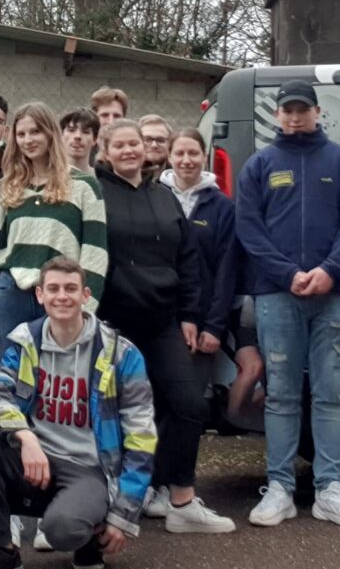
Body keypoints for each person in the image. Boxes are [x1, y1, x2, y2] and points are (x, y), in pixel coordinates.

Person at [235, 80, 340, 529]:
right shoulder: (259, 166)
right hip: (277, 295)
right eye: (287, 110)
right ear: (277, 115)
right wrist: (286, 273)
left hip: (336, 295)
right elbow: (249, 229)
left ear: (317, 112)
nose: (295, 117)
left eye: (303, 109)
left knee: (332, 393)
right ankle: (279, 488)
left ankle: (329, 489)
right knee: (281, 395)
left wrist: (329, 270)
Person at [0, 257, 157, 569]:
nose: (62, 296)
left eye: (71, 288)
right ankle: (4, 549)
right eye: (53, 289)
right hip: (37, 458)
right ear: (40, 295)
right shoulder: (26, 341)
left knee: (61, 531)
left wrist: (123, 515)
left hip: (90, 468)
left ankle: (90, 538)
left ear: (86, 295)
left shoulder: (121, 354)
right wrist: (26, 438)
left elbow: (142, 436)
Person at [95, 119, 234, 533]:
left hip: (162, 324)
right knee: (109, 417)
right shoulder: (95, 194)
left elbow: (188, 260)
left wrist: (190, 315)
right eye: (119, 145)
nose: (128, 151)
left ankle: (181, 500)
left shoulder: (165, 196)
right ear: (106, 151)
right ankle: (100, 503)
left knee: (190, 405)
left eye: (134, 143)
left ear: (145, 148)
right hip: (111, 326)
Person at [157, 130, 262, 485]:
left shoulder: (222, 208)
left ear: (204, 156)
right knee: (154, 406)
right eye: (180, 153)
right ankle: (152, 483)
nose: (186, 160)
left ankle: (180, 485)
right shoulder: (154, 197)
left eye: (193, 153)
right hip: (159, 321)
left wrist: (214, 326)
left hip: (200, 326)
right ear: (169, 157)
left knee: (188, 407)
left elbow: (226, 272)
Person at [0, 101, 108, 371]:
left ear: (50, 134)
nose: (27, 140)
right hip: (12, 294)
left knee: (57, 379)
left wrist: (85, 306)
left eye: (35, 132)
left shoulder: (84, 186)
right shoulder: (11, 186)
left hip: (61, 297)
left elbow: (95, 253)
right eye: (21, 134)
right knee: (11, 379)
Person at [59, 109, 100, 176]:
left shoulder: (101, 179)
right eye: (71, 130)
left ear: (95, 139)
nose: (78, 136)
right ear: (61, 135)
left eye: (85, 132)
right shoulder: (46, 176)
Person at [137, 114, 173, 182]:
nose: (154, 145)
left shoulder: (178, 179)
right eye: (147, 139)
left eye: (160, 140)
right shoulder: (124, 176)